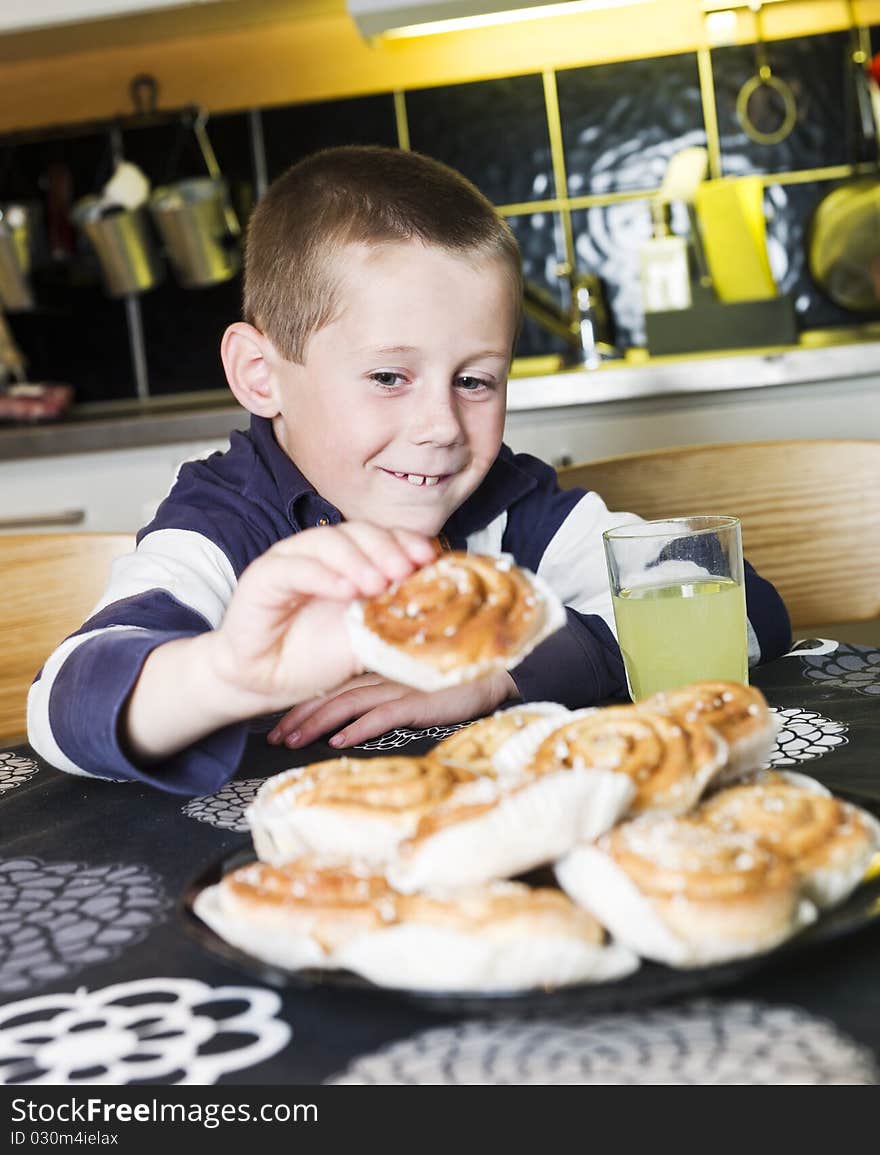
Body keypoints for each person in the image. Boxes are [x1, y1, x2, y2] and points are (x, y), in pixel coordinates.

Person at [27, 146, 792, 795]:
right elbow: (64, 704)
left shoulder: (513, 503)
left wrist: (510, 670)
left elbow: (740, 606)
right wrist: (229, 673)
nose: (441, 429)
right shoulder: (223, 520)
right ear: (261, 375)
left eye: (475, 380)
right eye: (390, 377)